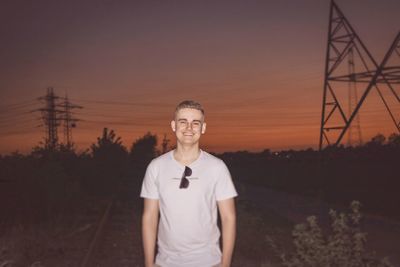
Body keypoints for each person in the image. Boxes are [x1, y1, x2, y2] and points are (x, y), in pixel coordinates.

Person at [140, 100, 238, 267]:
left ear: (203, 128)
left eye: (195, 123)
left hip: (209, 261)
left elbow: (229, 217)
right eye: (183, 122)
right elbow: (149, 217)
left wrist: (225, 264)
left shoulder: (217, 167)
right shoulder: (156, 167)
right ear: (173, 125)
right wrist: (149, 264)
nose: (189, 128)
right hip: (166, 262)